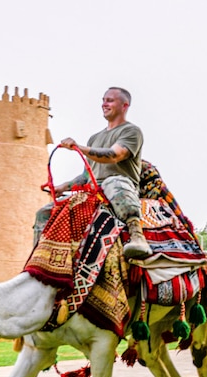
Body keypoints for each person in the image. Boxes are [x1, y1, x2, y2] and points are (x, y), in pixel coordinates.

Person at [34, 87, 150, 259]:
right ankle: (39, 257)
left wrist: (79, 147)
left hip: (120, 187)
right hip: (93, 191)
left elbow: (114, 155)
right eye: (103, 100)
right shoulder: (95, 138)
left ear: (124, 105)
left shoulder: (131, 131)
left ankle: (137, 236)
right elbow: (87, 176)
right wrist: (62, 187)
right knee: (45, 212)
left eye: (110, 100)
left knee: (113, 182)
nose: (104, 104)